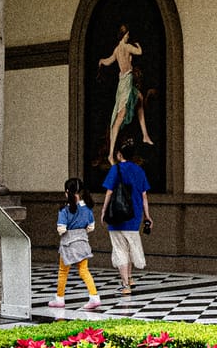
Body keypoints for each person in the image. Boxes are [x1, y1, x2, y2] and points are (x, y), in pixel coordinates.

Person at [100, 138, 150, 296]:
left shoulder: (115, 169)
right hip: (133, 216)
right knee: (129, 248)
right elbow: (144, 196)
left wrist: (103, 211)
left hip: (116, 217)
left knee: (120, 250)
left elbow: (109, 192)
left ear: (120, 154)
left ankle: (125, 284)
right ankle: (130, 277)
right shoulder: (139, 171)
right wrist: (147, 216)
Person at [99, 27, 152, 165]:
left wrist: (101, 61)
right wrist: (139, 46)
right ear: (124, 35)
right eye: (127, 34)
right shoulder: (127, 47)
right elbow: (139, 52)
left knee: (139, 98)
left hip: (123, 83)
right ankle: (111, 154)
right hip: (126, 83)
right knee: (120, 117)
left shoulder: (117, 50)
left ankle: (145, 135)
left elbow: (109, 61)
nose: (128, 36)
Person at [50, 177, 102, 311]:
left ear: (67, 191)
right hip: (83, 242)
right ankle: (94, 296)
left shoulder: (65, 209)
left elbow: (61, 228)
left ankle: (60, 299)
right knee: (84, 270)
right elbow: (91, 227)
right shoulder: (87, 208)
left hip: (68, 243)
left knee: (63, 272)